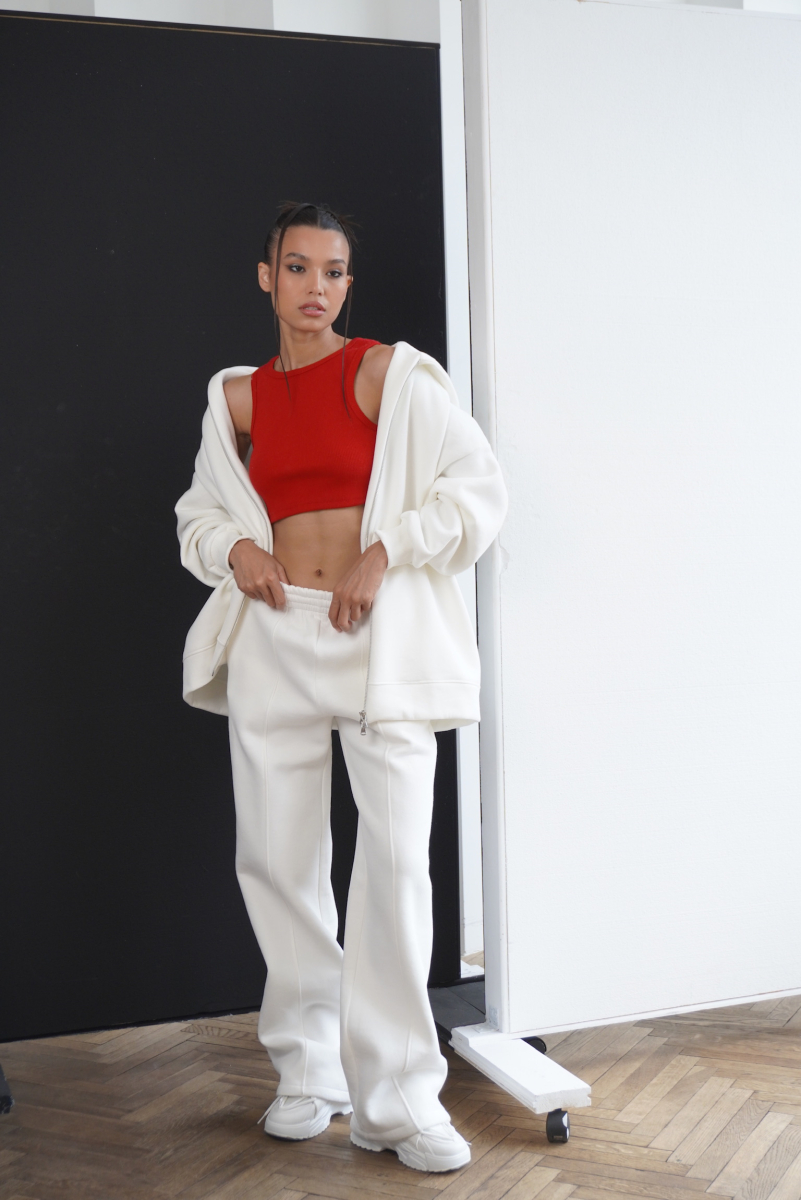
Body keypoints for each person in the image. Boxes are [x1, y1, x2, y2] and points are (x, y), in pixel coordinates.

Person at [175, 201, 507, 1173]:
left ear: (347, 284)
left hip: (377, 636)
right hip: (276, 637)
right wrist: (234, 549)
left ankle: (399, 1102)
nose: (315, 287)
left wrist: (385, 551)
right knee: (278, 862)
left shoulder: (387, 374)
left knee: (396, 867)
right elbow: (200, 513)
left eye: (333, 271)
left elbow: (476, 489)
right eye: (298, 267)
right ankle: (307, 1070)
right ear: (267, 276)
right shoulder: (236, 399)